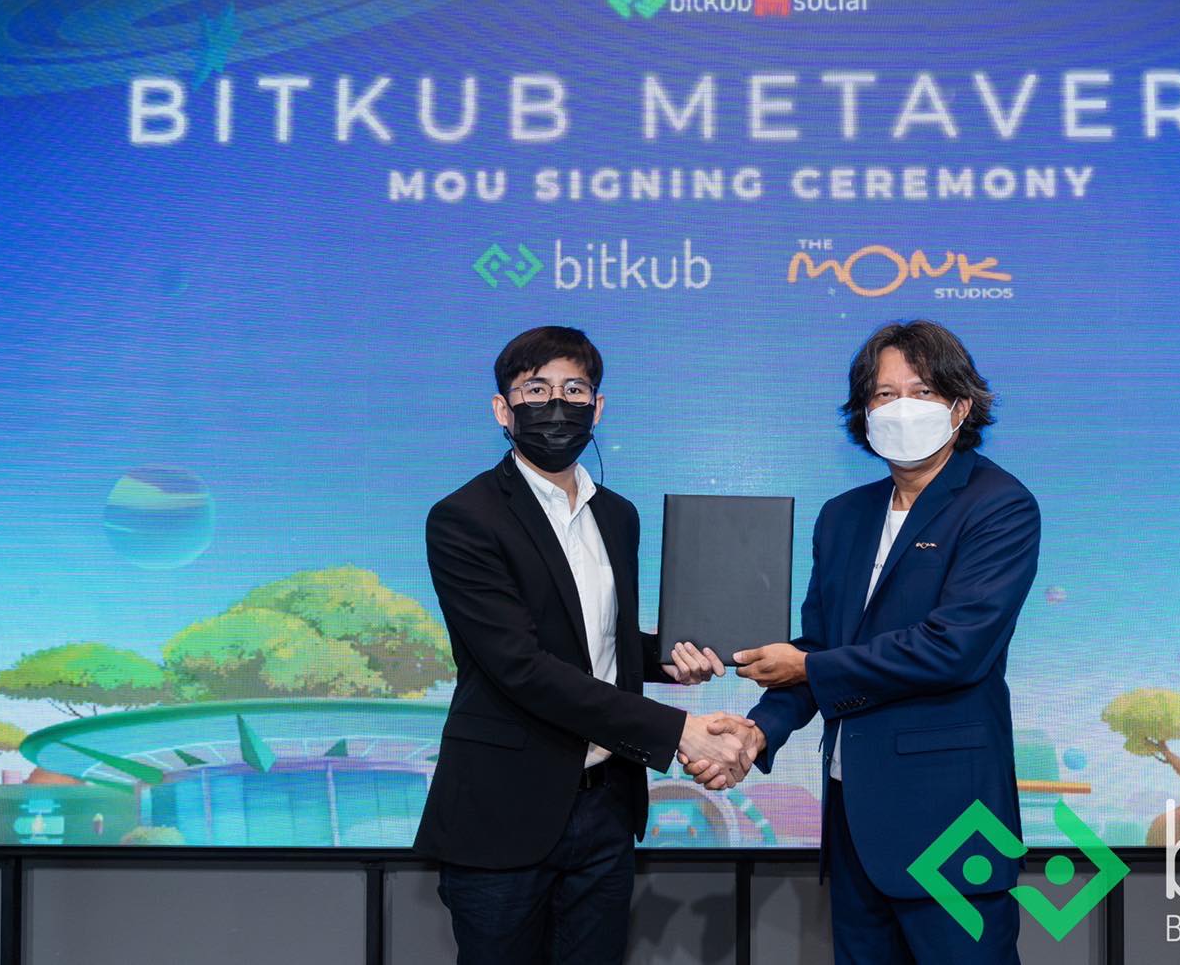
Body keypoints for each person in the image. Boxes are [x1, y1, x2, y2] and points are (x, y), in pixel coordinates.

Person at [687, 320, 1042, 964]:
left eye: (923, 391)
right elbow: (818, 646)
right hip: (854, 818)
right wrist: (759, 731)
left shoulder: (999, 506)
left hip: (951, 823)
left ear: (961, 406)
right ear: (864, 411)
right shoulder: (844, 515)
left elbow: (954, 648)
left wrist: (808, 666)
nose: (902, 407)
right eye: (884, 394)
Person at [415, 325, 750, 965]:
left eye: (574, 390)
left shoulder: (617, 514)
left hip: (606, 806)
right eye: (535, 390)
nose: (556, 405)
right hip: (504, 808)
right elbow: (520, 666)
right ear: (503, 409)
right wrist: (679, 731)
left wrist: (670, 659)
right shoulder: (465, 517)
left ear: (598, 407)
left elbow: (599, 639)